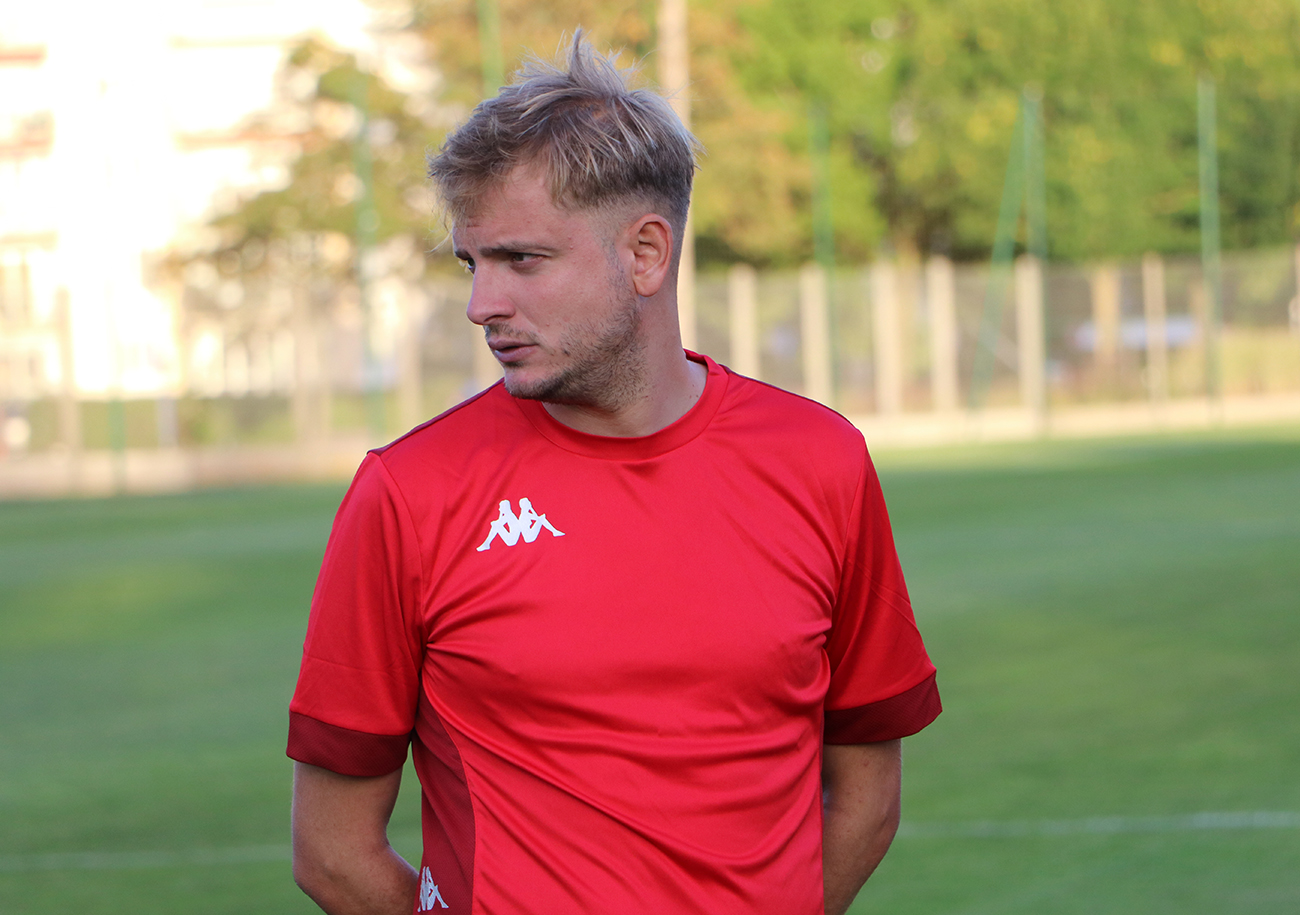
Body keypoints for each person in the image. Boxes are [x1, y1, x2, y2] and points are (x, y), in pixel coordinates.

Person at [287, 32, 940, 915]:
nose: (484, 303)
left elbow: (866, 787)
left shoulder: (819, 460)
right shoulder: (410, 492)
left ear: (645, 254)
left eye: (522, 259)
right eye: (472, 263)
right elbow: (332, 852)